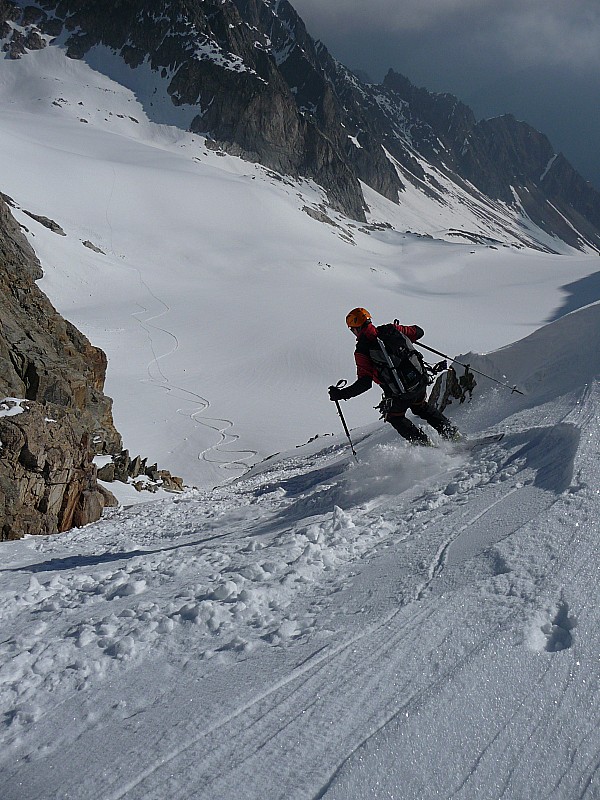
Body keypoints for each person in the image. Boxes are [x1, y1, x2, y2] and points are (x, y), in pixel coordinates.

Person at [328, 307, 462, 446]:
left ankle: (425, 445)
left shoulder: (362, 350)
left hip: (399, 393)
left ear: (356, 328)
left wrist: (341, 394)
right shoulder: (390, 329)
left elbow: (365, 383)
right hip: (419, 381)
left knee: (394, 417)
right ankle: (452, 434)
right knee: (421, 407)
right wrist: (399, 332)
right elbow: (419, 332)